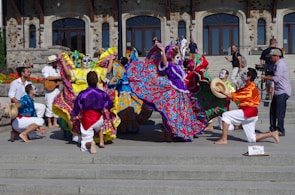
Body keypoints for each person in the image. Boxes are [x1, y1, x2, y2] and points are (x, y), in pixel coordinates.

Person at [127, 43, 205, 141]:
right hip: (173, 93)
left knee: (183, 114)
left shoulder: (178, 66)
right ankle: (169, 133)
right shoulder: (169, 66)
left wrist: (179, 49)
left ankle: (179, 132)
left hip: (183, 94)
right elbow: (165, 62)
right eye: (175, 56)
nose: (178, 59)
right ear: (171, 57)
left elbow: (180, 59)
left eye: (178, 57)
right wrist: (163, 52)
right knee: (171, 114)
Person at [214, 68, 279, 144]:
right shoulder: (248, 86)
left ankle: (224, 139)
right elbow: (235, 94)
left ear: (249, 77)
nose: (242, 75)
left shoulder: (250, 88)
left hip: (248, 112)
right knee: (252, 139)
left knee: (225, 115)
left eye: (245, 74)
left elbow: (234, 96)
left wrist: (221, 91)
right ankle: (272, 134)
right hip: (251, 114)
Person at [71, 71, 114, 154]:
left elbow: (76, 108)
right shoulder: (102, 93)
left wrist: (73, 115)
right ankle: (101, 142)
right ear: (97, 80)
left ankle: (90, 143)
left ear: (87, 81)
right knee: (100, 128)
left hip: (87, 119)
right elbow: (109, 104)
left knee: (85, 141)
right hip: (99, 118)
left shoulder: (82, 94)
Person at [261, 49, 291, 137]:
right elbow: (275, 73)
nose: (270, 59)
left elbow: (276, 78)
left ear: (277, 56)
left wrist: (265, 77)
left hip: (282, 91)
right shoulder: (277, 64)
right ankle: (273, 129)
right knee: (273, 111)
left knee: (279, 112)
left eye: (271, 57)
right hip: (278, 91)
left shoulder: (280, 64)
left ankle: (280, 130)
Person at [42, 55, 62, 128]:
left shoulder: (57, 69)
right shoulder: (45, 69)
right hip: (49, 90)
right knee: (49, 105)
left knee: (56, 105)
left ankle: (55, 122)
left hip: (56, 89)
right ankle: (49, 122)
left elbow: (61, 77)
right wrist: (58, 77)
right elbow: (47, 77)